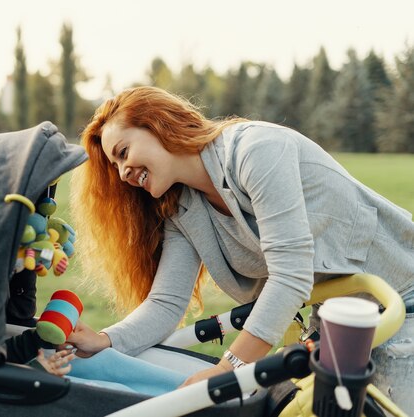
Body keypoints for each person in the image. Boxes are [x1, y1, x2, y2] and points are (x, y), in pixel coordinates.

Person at [67, 86, 414, 408]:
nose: (123, 172)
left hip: (403, 299)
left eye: (123, 153)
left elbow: (290, 273)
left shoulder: (256, 149)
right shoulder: (183, 209)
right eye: (115, 166)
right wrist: (104, 340)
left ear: (158, 125)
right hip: (341, 317)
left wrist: (226, 370)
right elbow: (166, 302)